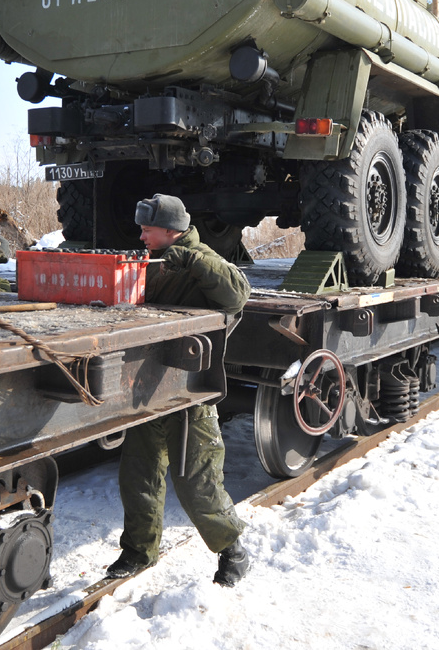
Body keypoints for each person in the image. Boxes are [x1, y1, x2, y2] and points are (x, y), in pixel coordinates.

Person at [106, 193, 252, 587]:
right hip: (149, 387)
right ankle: (139, 550)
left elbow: (238, 293)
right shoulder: (156, 259)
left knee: (197, 479)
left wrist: (194, 261)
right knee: (138, 474)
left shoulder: (199, 258)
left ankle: (233, 549)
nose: (141, 237)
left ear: (171, 231)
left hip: (188, 390)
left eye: (147, 230)